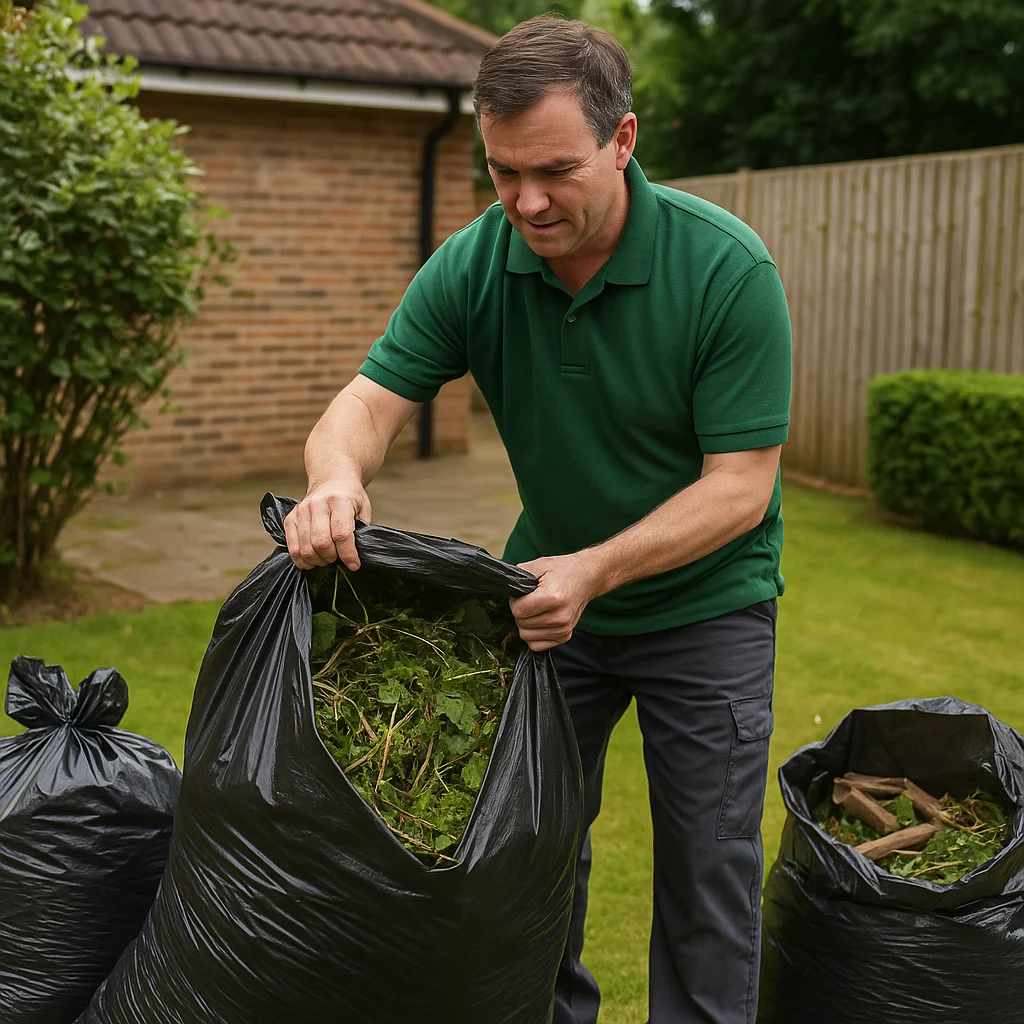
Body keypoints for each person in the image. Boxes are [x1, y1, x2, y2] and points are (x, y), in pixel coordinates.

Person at [285, 14, 791, 1024]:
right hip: (549, 606)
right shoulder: (478, 262)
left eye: (554, 169)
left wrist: (595, 570)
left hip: (706, 612)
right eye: (501, 170)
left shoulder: (724, 269)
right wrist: (334, 476)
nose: (525, 199)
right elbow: (367, 403)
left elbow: (742, 486)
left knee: (707, 875)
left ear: (622, 139)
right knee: (525, 851)